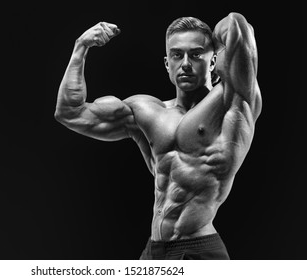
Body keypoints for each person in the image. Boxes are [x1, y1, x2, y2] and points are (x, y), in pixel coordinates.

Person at [54, 12, 262, 260]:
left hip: (199, 250)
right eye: (177, 55)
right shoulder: (147, 111)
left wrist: (215, 43)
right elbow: (70, 112)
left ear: (214, 60)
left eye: (196, 54)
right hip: (154, 252)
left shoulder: (232, 103)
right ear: (167, 64)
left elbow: (237, 27)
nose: (185, 63)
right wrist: (81, 46)